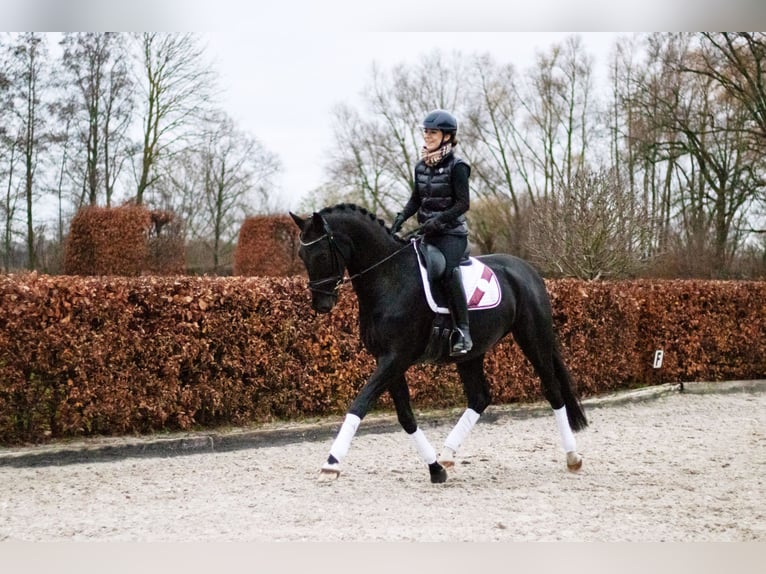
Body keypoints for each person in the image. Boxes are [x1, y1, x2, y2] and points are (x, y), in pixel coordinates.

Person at [391, 109, 472, 357]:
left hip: (452, 235)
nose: (428, 135)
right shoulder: (421, 166)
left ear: (447, 136)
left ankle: (463, 332)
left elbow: (463, 204)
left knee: (445, 271)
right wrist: (400, 218)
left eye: (433, 132)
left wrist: (439, 220)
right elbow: (416, 199)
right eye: (425, 131)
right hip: (428, 234)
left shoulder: (458, 166)